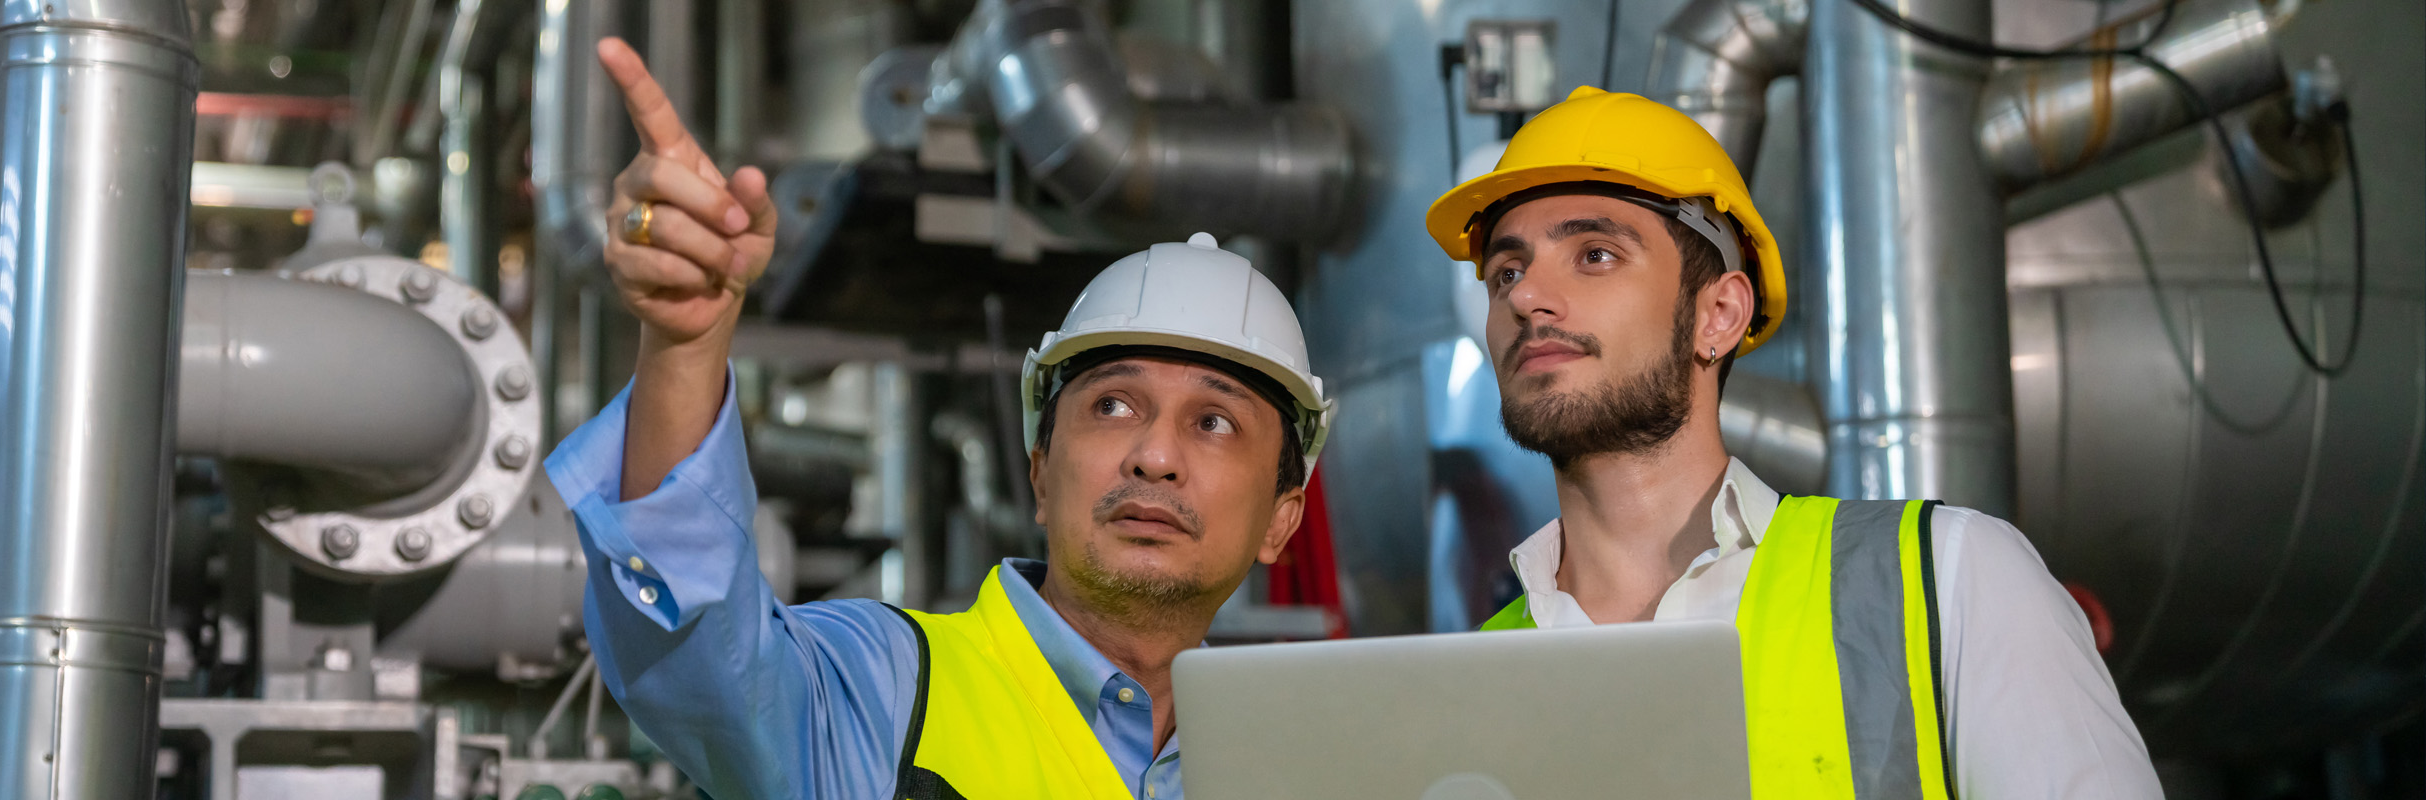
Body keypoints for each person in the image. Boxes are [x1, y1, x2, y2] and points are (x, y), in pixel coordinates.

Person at [545, 38, 1332, 799]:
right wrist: (686, 343)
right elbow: (699, 657)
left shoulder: (1303, 766)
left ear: (1281, 519)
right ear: (1038, 472)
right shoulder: (877, 693)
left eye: (1215, 422)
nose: (1154, 456)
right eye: (1113, 404)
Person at [1422, 86, 2161, 799]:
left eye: (1595, 254)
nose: (1524, 296)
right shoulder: (1464, 683)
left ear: (1719, 315)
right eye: (1506, 271)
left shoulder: (1950, 583)